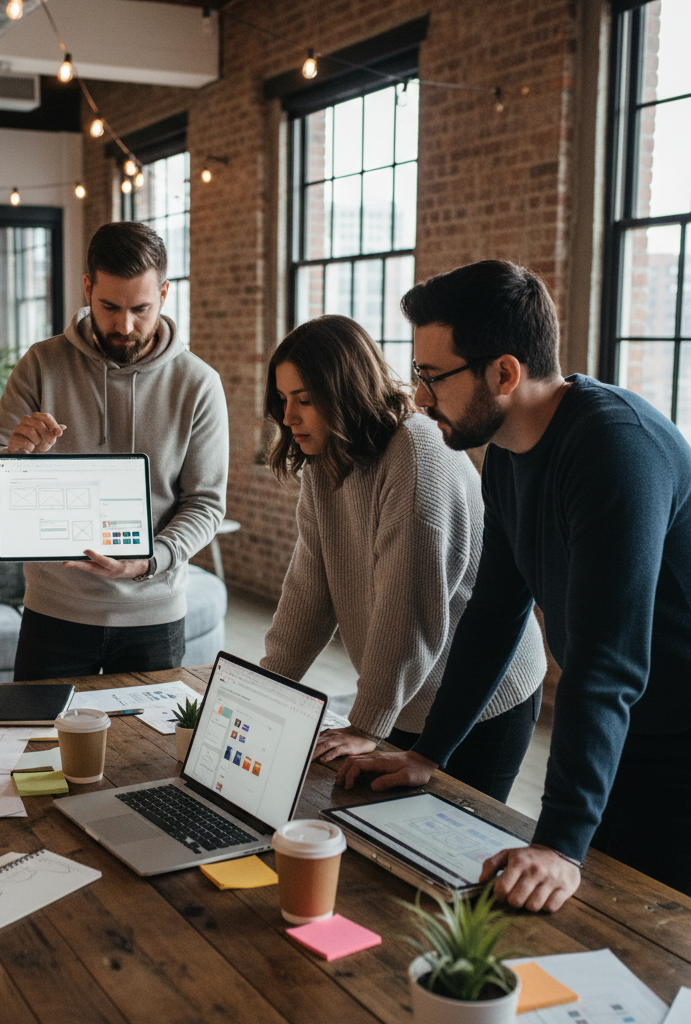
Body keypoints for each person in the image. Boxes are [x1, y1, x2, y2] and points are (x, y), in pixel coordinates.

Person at [338, 259, 691, 912]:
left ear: (504, 372)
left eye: (434, 376)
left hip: (678, 739)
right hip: (629, 730)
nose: (419, 398)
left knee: (658, 931)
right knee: (591, 909)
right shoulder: (506, 456)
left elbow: (605, 663)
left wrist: (558, 841)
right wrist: (431, 757)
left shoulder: (614, 449)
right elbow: (496, 615)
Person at [260, 315, 546, 802]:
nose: (289, 417)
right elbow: (308, 591)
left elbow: (409, 608)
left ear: (345, 391)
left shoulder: (416, 451)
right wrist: (263, 692)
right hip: (410, 694)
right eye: (283, 400)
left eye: (305, 400)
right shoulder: (325, 459)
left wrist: (365, 723)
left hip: (484, 700)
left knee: (452, 850)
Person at [0, 221, 228, 679]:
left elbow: (206, 504)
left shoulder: (199, 384)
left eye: (141, 309)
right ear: (87, 288)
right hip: (54, 613)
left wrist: (152, 559)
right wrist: (15, 454)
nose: (124, 326)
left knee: (150, 751)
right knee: (38, 746)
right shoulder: (40, 365)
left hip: (154, 613)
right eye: (109, 307)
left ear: (165, 294)